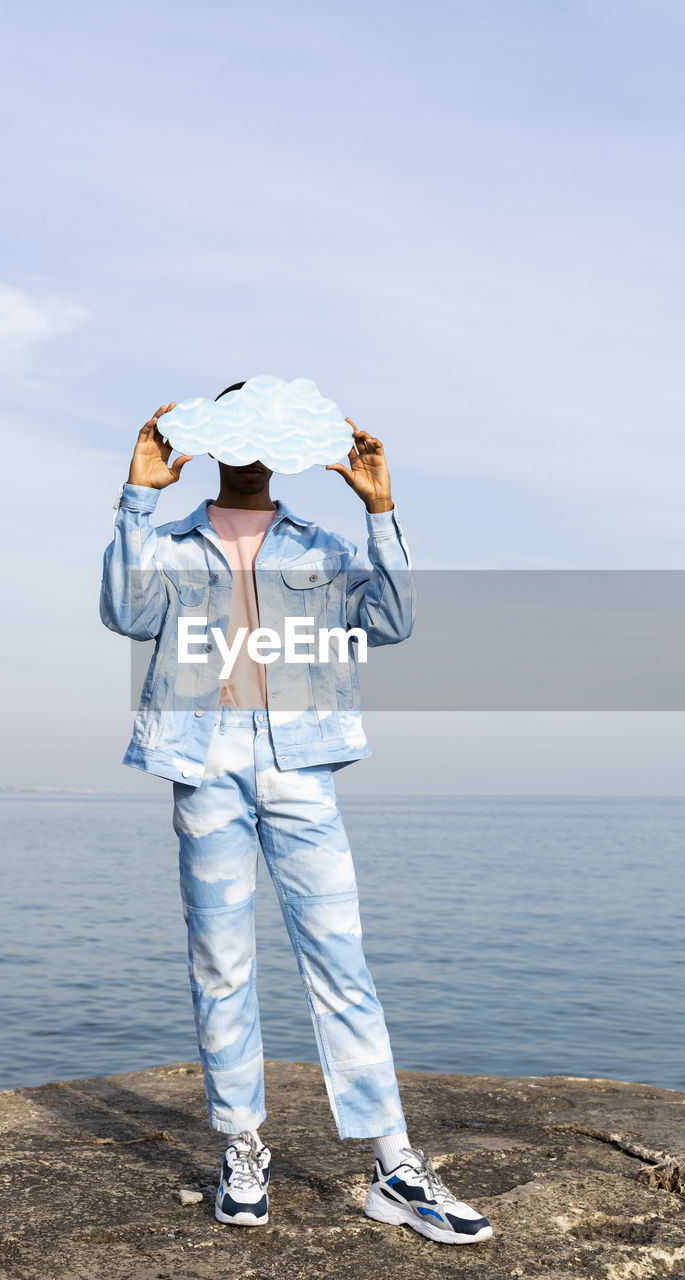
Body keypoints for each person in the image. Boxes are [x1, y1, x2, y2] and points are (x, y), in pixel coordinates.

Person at [99, 384, 493, 1245]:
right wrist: (139, 494)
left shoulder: (324, 546)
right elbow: (125, 613)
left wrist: (382, 509)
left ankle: (394, 1166)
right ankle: (243, 1149)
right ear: (211, 438)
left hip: (299, 764)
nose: (249, 447)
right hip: (202, 763)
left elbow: (391, 619)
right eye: (234, 429)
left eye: (264, 432)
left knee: (339, 959)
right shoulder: (168, 542)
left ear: (287, 445)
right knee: (222, 962)